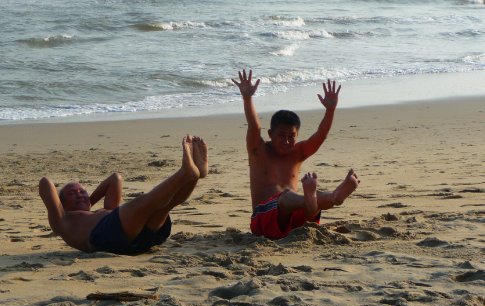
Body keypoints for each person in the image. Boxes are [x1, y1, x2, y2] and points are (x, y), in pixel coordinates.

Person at [232, 69, 359, 239]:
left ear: (297, 136)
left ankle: (335, 197)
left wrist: (330, 110)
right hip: (263, 220)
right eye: (281, 136)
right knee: (289, 197)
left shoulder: (297, 153)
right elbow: (254, 126)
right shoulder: (258, 151)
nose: (286, 141)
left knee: (309, 204)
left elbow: (320, 135)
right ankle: (320, 198)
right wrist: (247, 98)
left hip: (293, 223)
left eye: (291, 136)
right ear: (270, 134)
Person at [39, 135, 207, 254]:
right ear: (62, 203)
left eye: (82, 191)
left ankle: (194, 175)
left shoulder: (102, 211)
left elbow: (115, 178)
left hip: (141, 241)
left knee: (164, 207)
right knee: (145, 202)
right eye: (72, 193)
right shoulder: (62, 222)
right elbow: (45, 182)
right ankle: (185, 174)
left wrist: (89, 202)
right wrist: (65, 206)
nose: (79, 193)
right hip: (106, 237)